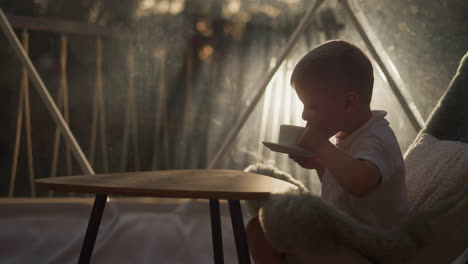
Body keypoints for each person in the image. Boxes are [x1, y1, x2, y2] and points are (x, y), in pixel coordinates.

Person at [246, 40, 409, 263]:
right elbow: (343, 192)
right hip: (347, 243)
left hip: (371, 250)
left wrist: (322, 147)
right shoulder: (349, 136)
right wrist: (321, 164)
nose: (304, 116)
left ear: (348, 103)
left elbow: (360, 183)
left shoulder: (376, 137)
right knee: (262, 229)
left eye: (312, 106)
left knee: (276, 233)